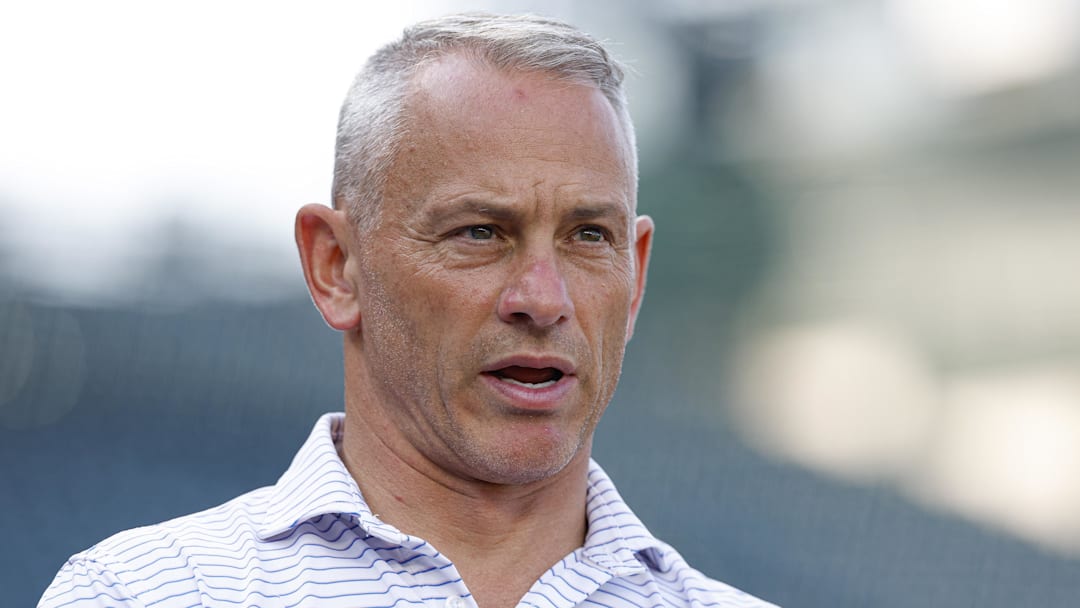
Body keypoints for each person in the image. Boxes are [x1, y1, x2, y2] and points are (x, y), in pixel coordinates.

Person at [40, 13, 777, 608]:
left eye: (589, 237)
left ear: (636, 275)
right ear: (336, 266)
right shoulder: (145, 595)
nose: (543, 300)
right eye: (480, 232)